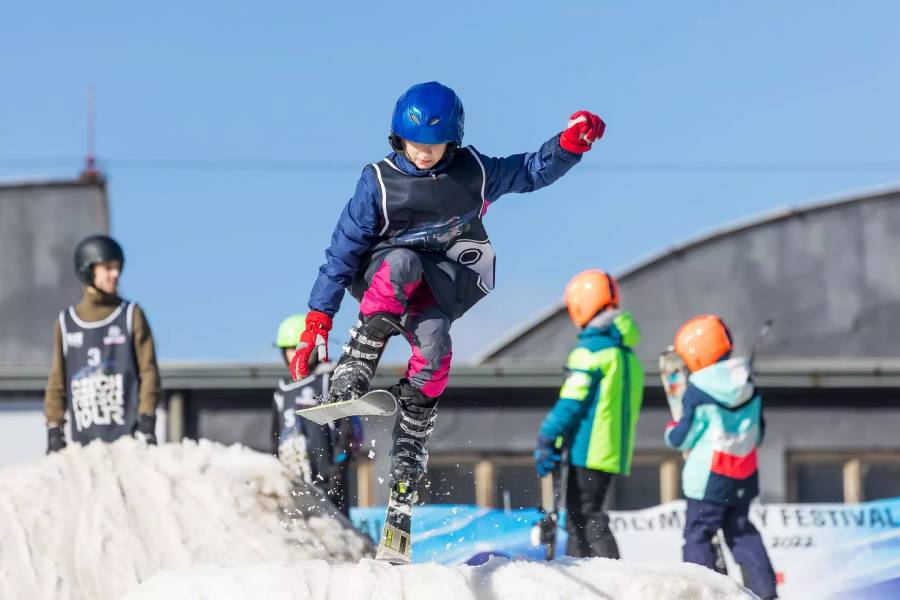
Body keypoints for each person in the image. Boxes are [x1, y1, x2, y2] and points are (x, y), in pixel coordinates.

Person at [289, 81, 605, 497]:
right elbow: (341, 252)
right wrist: (317, 322)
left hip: (440, 281)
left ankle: (411, 443)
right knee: (404, 262)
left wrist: (567, 147)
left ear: (452, 141)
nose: (423, 151)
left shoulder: (472, 172)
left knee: (436, 343)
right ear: (397, 137)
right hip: (382, 275)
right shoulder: (379, 183)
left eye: (435, 144)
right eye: (414, 142)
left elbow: (528, 171)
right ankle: (357, 365)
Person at [665, 315, 778, 600]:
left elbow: (683, 436)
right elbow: (759, 434)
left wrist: (671, 431)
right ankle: (765, 593)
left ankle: (704, 592)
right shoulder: (749, 383)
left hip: (709, 479)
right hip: (743, 474)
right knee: (741, 532)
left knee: (698, 534)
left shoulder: (698, 391)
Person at [533, 270, 643, 558]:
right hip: (611, 451)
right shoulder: (625, 354)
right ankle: (592, 572)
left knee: (584, 516)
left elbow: (571, 402)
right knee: (585, 514)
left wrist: (548, 435)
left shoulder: (590, 351)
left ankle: (605, 577)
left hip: (588, 448)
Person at [44, 235, 161, 452]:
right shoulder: (67, 322)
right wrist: (54, 429)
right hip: (84, 444)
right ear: (88, 271)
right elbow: (56, 382)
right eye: (107, 268)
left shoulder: (130, 315)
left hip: (129, 441)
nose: (115, 274)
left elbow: (149, 372)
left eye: (117, 268)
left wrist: (147, 420)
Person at [273, 314, 360, 515]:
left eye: (298, 349)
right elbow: (275, 437)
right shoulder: (282, 390)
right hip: (295, 480)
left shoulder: (330, 379)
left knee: (335, 535)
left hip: (328, 480)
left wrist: (337, 469)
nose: (293, 355)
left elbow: (349, 429)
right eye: (288, 349)